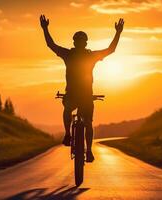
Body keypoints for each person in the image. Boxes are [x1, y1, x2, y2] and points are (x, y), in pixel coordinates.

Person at [40, 15, 124, 162]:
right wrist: (118, 32)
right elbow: (111, 49)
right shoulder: (91, 56)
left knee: (67, 110)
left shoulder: (69, 54)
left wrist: (45, 28)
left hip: (72, 94)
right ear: (85, 43)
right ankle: (89, 151)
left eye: (80, 41)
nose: (79, 43)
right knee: (88, 123)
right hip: (86, 96)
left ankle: (68, 134)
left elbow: (51, 45)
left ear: (78, 42)